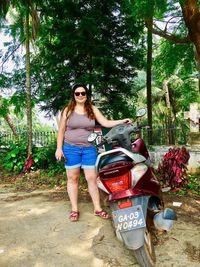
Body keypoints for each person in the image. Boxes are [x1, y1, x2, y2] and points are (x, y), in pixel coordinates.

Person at [55, 84, 132, 222]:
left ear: (86, 94)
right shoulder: (68, 110)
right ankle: (74, 209)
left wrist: (122, 121)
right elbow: (61, 130)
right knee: (73, 179)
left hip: (89, 148)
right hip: (70, 148)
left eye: (83, 93)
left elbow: (106, 123)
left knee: (92, 178)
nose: (80, 96)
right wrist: (59, 148)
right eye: (77, 93)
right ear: (73, 95)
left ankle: (97, 209)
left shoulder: (92, 109)